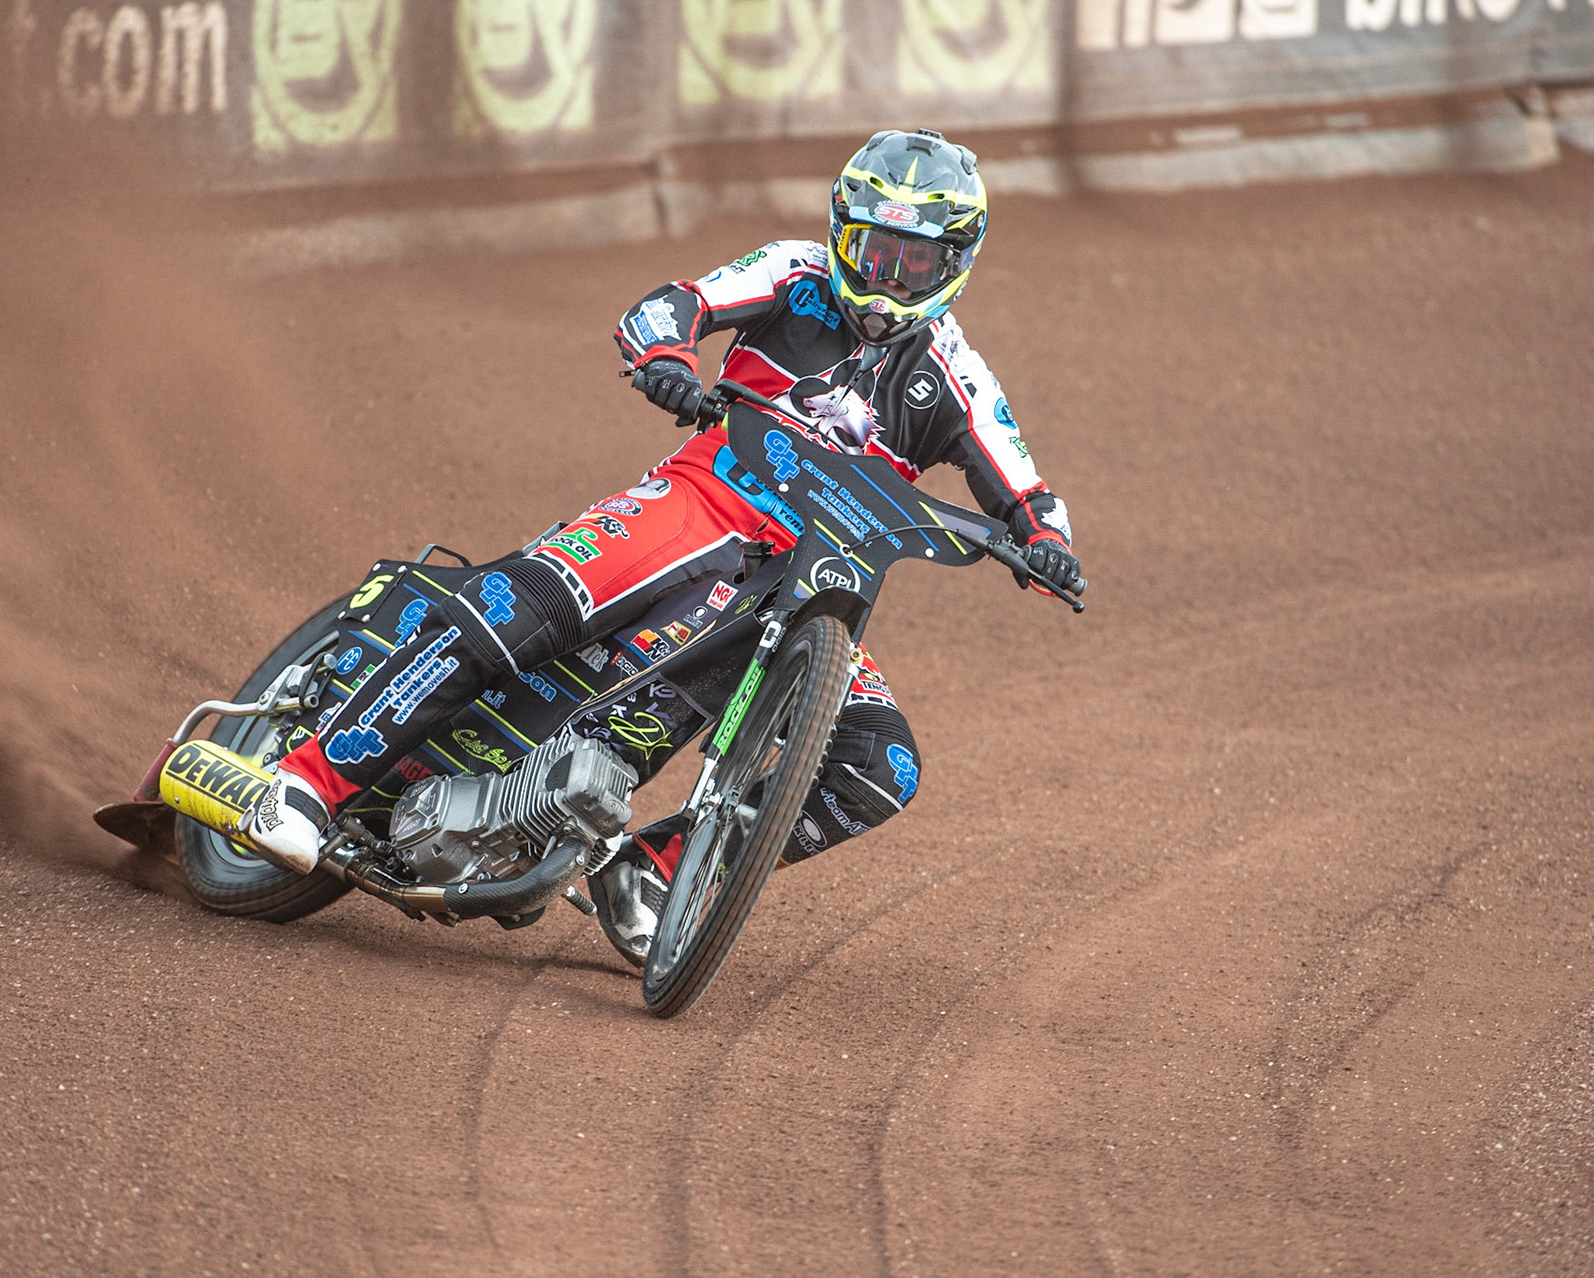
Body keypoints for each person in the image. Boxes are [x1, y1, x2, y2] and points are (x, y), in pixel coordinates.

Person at [246, 128, 1080, 965]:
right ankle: (307, 782)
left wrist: (1047, 543)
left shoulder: (957, 372)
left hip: (810, 575)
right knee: (521, 605)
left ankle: (652, 871)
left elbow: (1028, 493)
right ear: (840, 232)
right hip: (703, 499)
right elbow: (673, 305)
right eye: (873, 250)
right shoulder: (794, 272)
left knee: (880, 764)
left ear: (953, 264)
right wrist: (667, 359)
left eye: (914, 261)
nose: (887, 277)